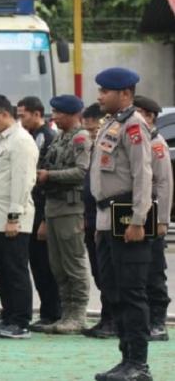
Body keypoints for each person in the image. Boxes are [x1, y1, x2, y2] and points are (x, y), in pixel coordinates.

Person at [90, 68, 154, 381]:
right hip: (108, 218)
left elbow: (143, 174)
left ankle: (138, 364)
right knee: (113, 291)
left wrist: (139, 220)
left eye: (105, 91)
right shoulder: (113, 123)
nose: (100, 96)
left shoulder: (134, 125)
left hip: (127, 216)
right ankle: (126, 358)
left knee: (131, 293)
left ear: (125, 93)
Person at [0, 94, 38, 339]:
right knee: (2, 271)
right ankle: (8, 315)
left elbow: (22, 181)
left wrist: (14, 216)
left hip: (10, 218)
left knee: (15, 270)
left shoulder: (21, 141)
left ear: (4, 114)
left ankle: (20, 321)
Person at [35, 95, 92, 334]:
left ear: (72, 114)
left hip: (71, 208)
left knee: (73, 263)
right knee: (57, 266)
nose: (55, 117)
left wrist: (50, 176)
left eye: (59, 113)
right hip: (54, 206)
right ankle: (66, 313)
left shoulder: (81, 138)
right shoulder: (59, 137)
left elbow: (82, 172)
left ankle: (78, 315)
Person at [17, 96, 62, 331]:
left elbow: (44, 181)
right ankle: (47, 311)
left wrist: (44, 219)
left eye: (23, 115)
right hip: (30, 208)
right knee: (36, 263)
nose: (20, 119)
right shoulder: (31, 136)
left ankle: (52, 312)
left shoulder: (46, 137)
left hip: (42, 208)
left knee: (45, 264)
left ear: (36, 114)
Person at [133, 95, 172, 343]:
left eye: (138, 112)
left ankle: (158, 322)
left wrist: (162, 219)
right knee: (136, 270)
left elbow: (165, 183)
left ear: (149, 116)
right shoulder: (138, 141)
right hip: (134, 210)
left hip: (152, 212)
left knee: (154, 271)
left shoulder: (156, 143)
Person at [81, 102, 116, 339]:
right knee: (99, 271)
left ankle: (114, 319)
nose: (92, 134)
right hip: (91, 218)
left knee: (111, 273)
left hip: (106, 216)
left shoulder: (109, 145)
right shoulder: (94, 148)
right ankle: (107, 317)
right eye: (89, 130)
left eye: (94, 130)